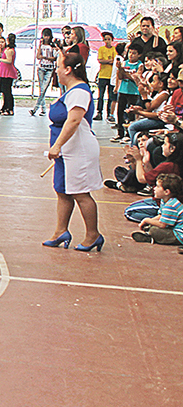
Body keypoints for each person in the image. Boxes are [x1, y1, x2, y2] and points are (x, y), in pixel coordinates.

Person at [44, 51, 104, 252]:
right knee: (62, 190)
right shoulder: (69, 91)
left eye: (59, 66)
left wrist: (57, 145)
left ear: (68, 70)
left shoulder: (79, 91)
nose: (57, 71)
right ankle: (61, 230)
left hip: (78, 149)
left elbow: (74, 120)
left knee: (80, 193)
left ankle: (93, 234)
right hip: (67, 151)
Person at [108, 131, 183, 194]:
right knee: (120, 170)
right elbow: (150, 173)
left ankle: (120, 184)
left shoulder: (168, 165)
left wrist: (138, 160)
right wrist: (136, 161)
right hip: (145, 178)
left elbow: (142, 179)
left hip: (165, 200)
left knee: (131, 210)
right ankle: (124, 184)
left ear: (172, 149)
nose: (162, 146)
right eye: (139, 141)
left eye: (165, 144)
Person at [131, 173, 183, 245]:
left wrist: (147, 220)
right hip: (172, 228)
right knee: (152, 225)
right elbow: (161, 216)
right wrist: (150, 221)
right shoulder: (164, 200)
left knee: (154, 230)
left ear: (166, 192)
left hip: (179, 235)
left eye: (158, 186)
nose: (154, 188)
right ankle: (150, 234)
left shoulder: (171, 205)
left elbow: (162, 225)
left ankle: (150, 237)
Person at [113, 41, 144, 143]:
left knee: (131, 113)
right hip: (123, 90)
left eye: (134, 53)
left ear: (139, 55)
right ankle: (120, 133)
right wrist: (120, 70)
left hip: (133, 91)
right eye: (130, 52)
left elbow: (135, 79)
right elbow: (120, 76)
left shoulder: (139, 65)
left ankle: (128, 134)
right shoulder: (124, 63)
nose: (131, 55)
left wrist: (126, 73)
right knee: (120, 111)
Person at [126, 72, 169, 144]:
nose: (152, 83)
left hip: (159, 120)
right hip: (154, 117)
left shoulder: (164, 94)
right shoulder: (158, 93)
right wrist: (139, 109)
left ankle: (134, 147)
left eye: (154, 81)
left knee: (132, 127)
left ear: (160, 84)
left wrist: (144, 96)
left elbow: (150, 108)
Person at [29, 28, 58, 116]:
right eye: (45, 35)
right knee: (42, 89)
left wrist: (45, 57)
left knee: (44, 89)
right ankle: (43, 109)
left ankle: (36, 108)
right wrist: (40, 50)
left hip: (49, 68)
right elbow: (38, 56)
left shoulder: (52, 46)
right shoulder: (41, 45)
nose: (46, 37)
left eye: (48, 35)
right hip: (41, 68)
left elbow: (54, 58)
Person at [94, 31, 116, 121]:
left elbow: (114, 60)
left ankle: (110, 113)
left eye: (109, 39)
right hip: (103, 75)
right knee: (101, 95)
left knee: (111, 96)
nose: (107, 41)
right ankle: (99, 112)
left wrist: (107, 61)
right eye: (105, 39)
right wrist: (108, 61)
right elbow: (100, 60)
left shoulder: (114, 49)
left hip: (111, 76)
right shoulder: (101, 49)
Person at [0, 33, 17, 116]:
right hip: (4, 71)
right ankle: (5, 107)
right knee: (5, 91)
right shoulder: (7, 49)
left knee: (7, 91)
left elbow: (8, 60)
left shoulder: (9, 50)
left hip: (8, 72)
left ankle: (9, 108)